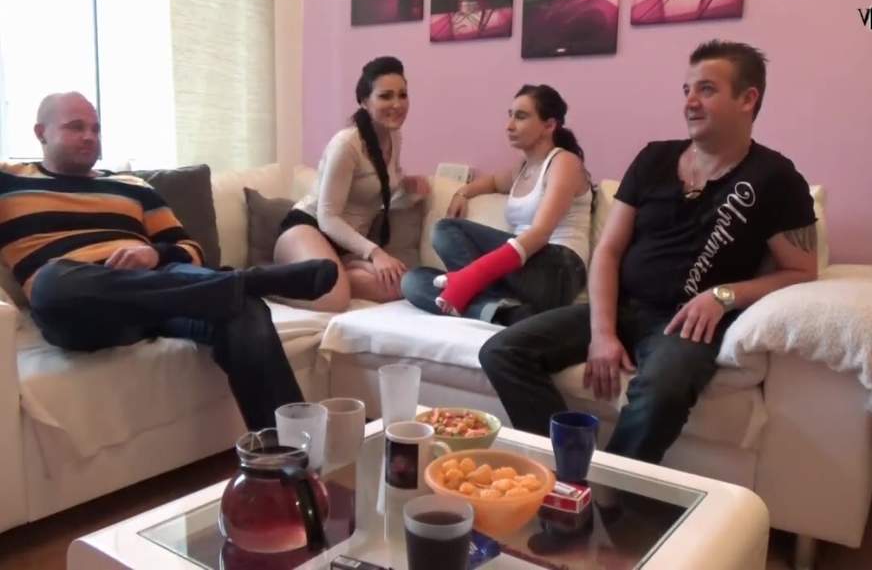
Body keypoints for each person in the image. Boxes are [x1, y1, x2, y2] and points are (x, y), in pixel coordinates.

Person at [480, 40, 818, 463]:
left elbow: (802, 271)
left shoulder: (776, 179)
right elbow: (608, 251)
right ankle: (570, 468)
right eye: (687, 90)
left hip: (684, 326)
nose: (690, 102)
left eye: (707, 89)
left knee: (663, 389)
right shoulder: (654, 159)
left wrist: (723, 295)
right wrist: (603, 333)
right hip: (622, 308)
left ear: (747, 99)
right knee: (501, 352)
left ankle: (606, 491)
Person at [0, 91, 339, 431]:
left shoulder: (132, 186)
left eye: (95, 128)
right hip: (86, 303)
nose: (90, 136)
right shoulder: (10, 182)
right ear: (40, 132)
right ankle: (247, 281)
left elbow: (190, 249)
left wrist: (154, 253)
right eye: (76, 127)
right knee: (51, 282)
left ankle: (290, 453)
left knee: (244, 308)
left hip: (163, 290)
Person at [402, 84, 591, 325]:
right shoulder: (522, 169)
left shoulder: (564, 162)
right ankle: (509, 314)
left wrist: (472, 276)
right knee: (413, 281)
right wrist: (462, 193)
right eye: (510, 115)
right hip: (519, 272)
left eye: (521, 117)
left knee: (447, 229)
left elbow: (540, 233)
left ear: (549, 125)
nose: (509, 125)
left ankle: (481, 298)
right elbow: (492, 182)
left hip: (558, 270)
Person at [273, 56, 429, 312]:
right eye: (385, 96)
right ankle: (260, 285)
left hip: (345, 247)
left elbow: (378, 192)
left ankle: (336, 273)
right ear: (364, 101)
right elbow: (327, 217)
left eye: (403, 95)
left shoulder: (394, 137)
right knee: (335, 299)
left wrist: (407, 188)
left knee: (397, 286)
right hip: (308, 229)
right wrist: (375, 253)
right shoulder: (346, 144)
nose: (397, 104)